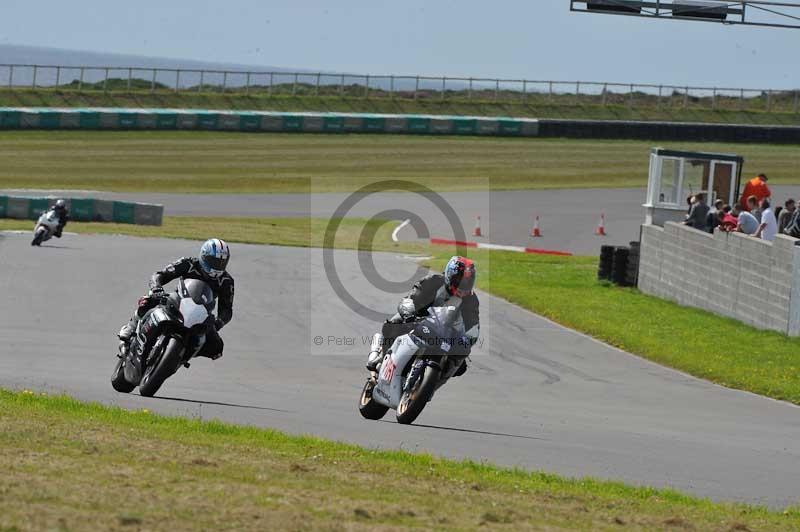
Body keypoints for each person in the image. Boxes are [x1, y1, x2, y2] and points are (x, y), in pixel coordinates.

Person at [118, 239, 234, 361]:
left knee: (216, 348)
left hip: (201, 315)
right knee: (148, 300)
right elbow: (159, 275)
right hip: (178, 301)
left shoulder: (226, 281)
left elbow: (227, 309)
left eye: (221, 263)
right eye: (214, 261)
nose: (217, 266)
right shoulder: (188, 263)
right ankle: (130, 328)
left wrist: (218, 323)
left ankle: (180, 357)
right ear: (203, 256)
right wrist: (157, 288)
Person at [366, 256, 480, 377]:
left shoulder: (471, 300)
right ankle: (381, 357)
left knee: (460, 366)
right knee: (394, 323)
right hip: (418, 321)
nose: (463, 285)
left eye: (468, 282)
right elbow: (411, 299)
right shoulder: (433, 281)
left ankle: (429, 383)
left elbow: (473, 327)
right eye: (459, 280)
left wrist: (467, 340)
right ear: (449, 275)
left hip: (445, 335)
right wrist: (409, 313)